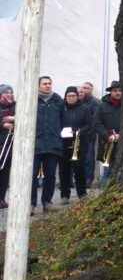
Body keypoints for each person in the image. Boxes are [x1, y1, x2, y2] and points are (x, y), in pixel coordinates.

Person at [34, 76, 66, 215]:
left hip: (53, 144)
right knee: (32, 176)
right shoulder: (32, 99)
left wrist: (56, 134)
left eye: (49, 83)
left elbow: (63, 120)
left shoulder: (58, 101)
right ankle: (31, 204)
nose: (48, 85)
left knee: (50, 175)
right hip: (35, 144)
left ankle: (47, 202)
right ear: (38, 86)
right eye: (45, 83)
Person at [58, 86, 92, 201]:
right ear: (65, 97)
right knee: (64, 169)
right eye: (69, 96)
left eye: (73, 96)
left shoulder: (85, 109)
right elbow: (57, 123)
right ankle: (64, 195)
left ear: (77, 97)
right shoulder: (61, 109)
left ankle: (82, 193)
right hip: (63, 142)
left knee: (79, 168)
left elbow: (89, 124)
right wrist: (61, 132)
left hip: (80, 142)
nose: (71, 98)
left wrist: (78, 132)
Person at [93, 81, 123, 185]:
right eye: (115, 90)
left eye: (120, 90)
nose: (118, 93)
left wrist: (122, 135)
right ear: (111, 92)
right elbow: (96, 122)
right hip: (107, 144)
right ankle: (105, 192)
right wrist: (107, 135)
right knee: (107, 172)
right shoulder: (102, 106)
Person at [77, 81, 100, 187]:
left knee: (88, 158)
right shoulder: (73, 102)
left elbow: (95, 119)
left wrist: (89, 132)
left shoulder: (93, 103)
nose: (81, 93)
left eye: (83, 91)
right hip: (75, 135)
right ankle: (76, 179)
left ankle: (88, 179)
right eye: (79, 92)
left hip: (88, 136)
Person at [0, 84, 14, 209]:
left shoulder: (15, 105)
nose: (9, 95)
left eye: (10, 92)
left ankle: (2, 198)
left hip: (10, 142)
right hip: (1, 141)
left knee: (5, 172)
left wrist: (14, 119)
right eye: (6, 92)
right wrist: (2, 125)